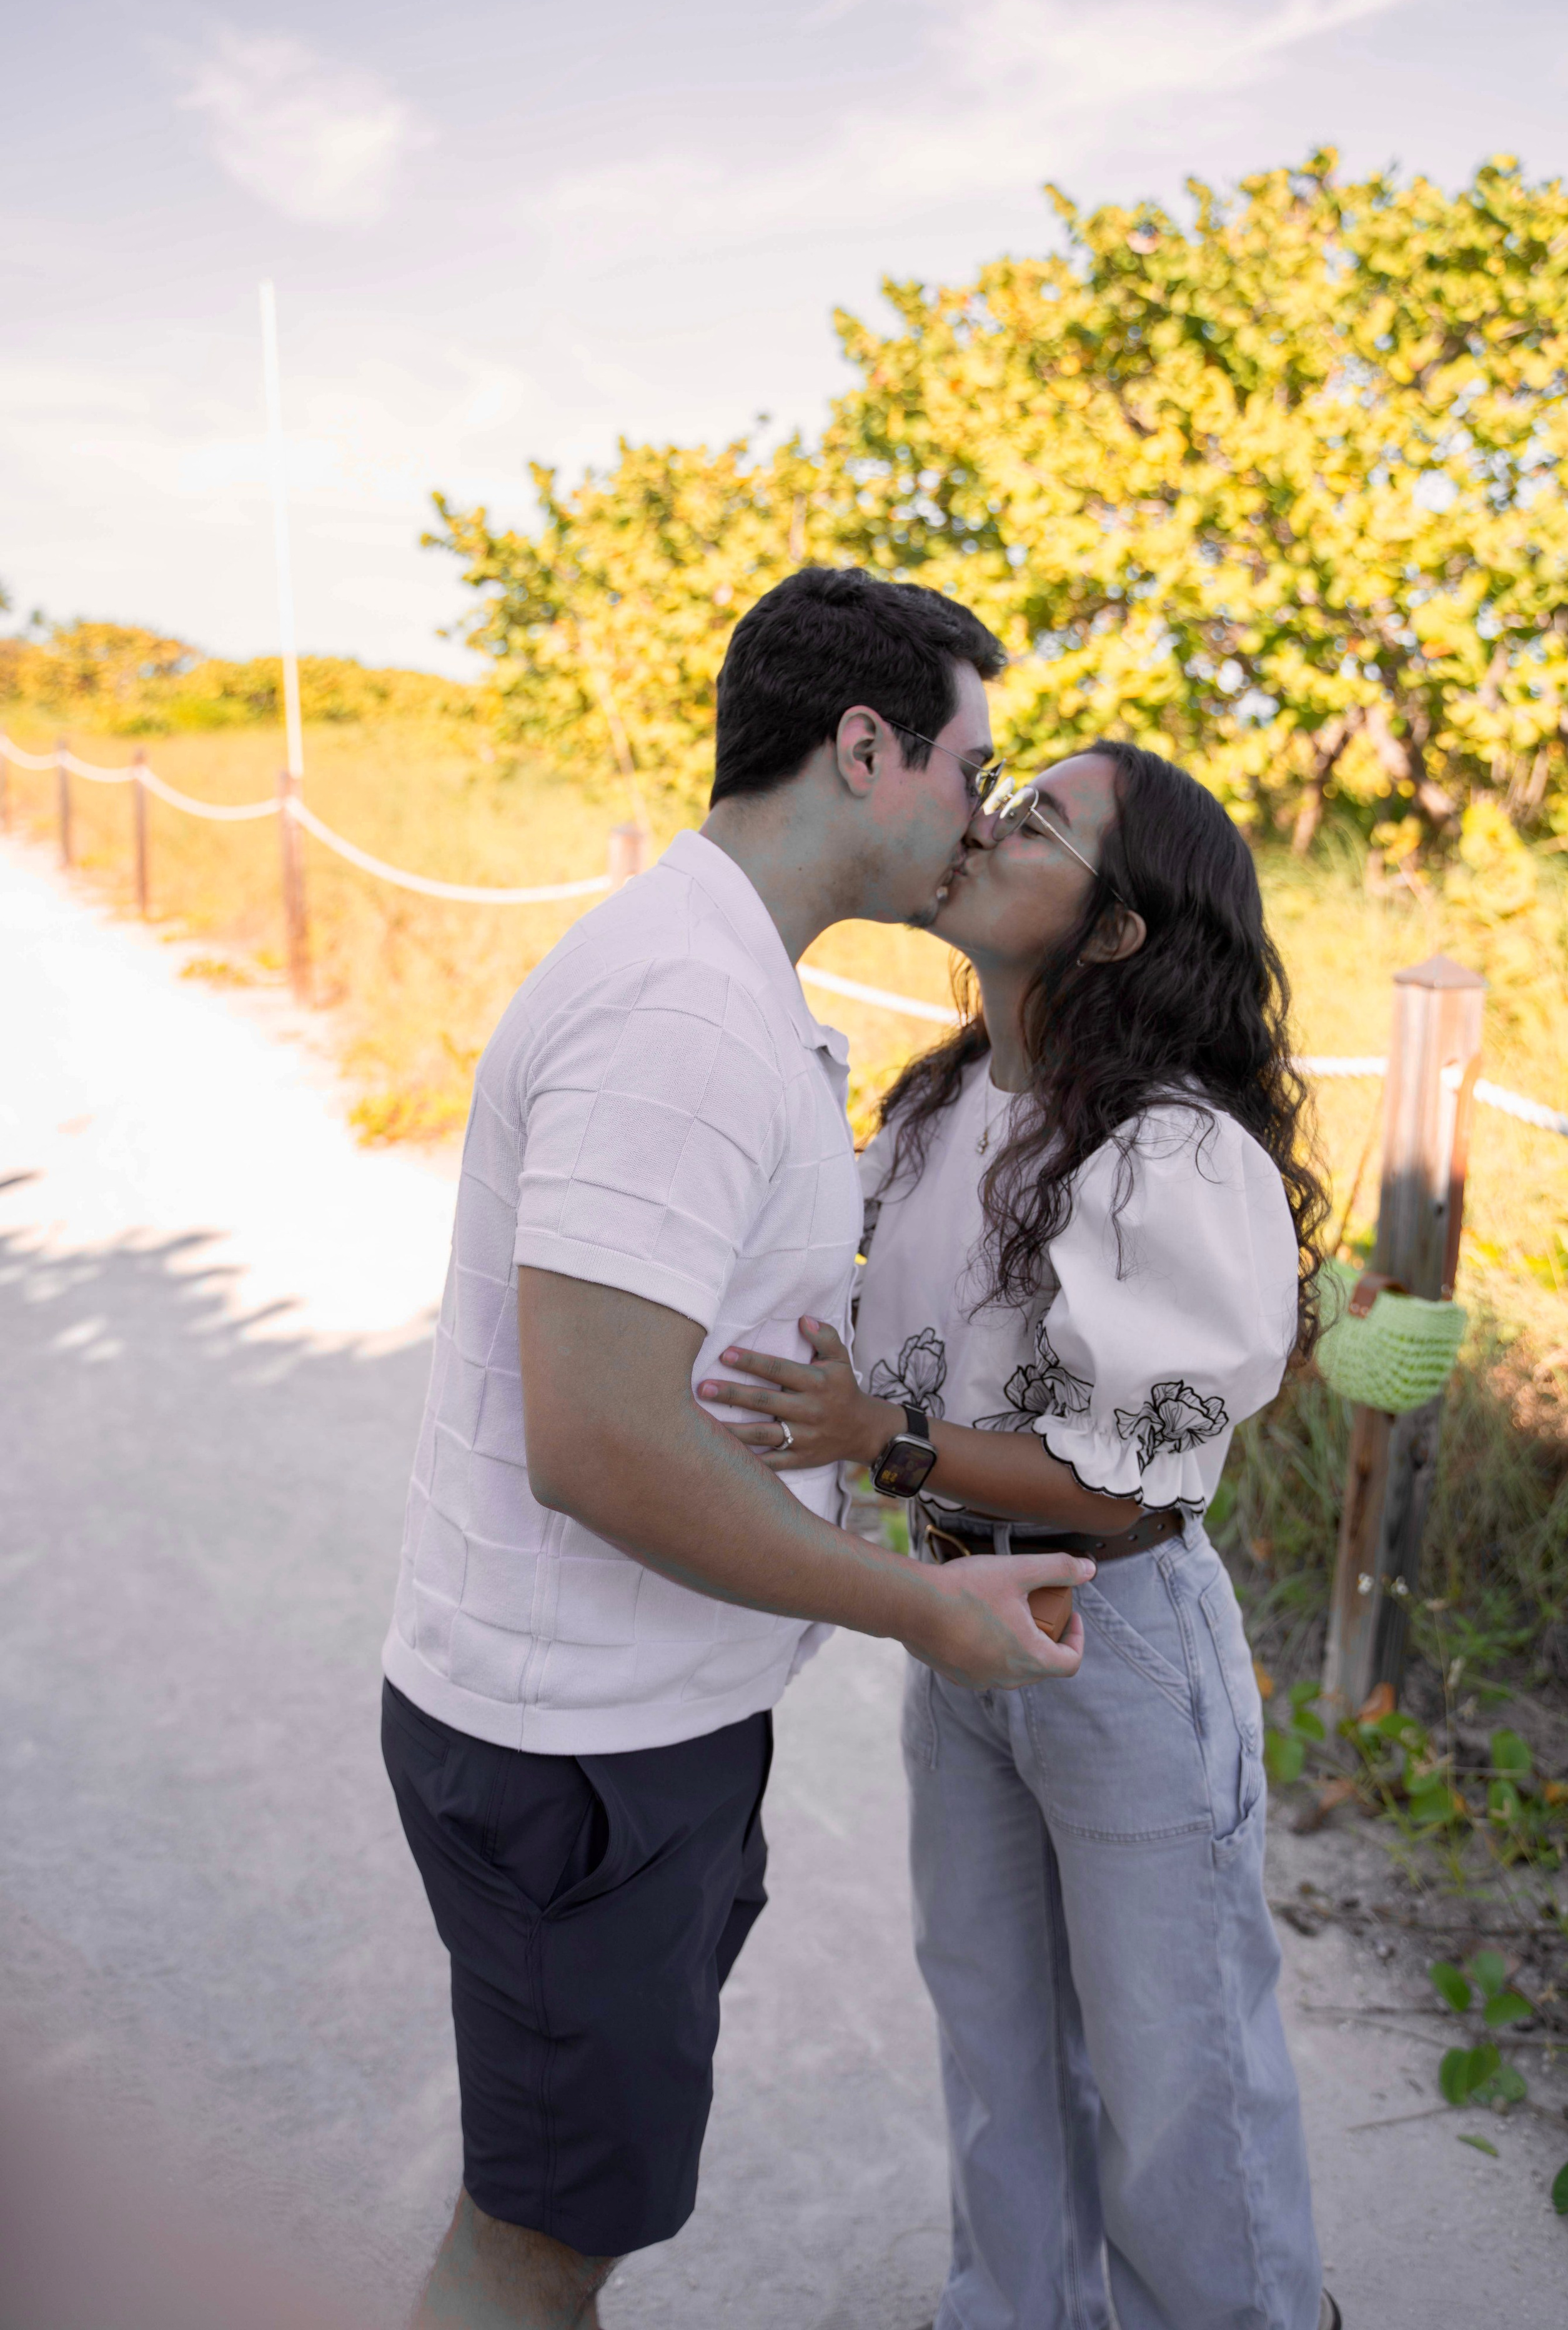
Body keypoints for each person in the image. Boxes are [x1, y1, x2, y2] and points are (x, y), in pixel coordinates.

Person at [379, 566, 1097, 2330]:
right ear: (868, 748)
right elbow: (601, 1442)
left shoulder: (715, 972)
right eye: (971, 766)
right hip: (581, 1754)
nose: (983, 815)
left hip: (629, 1730)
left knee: (571, 2221)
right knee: (533, 2244)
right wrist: (917, 1606)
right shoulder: (683, 1013)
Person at [696, 741, 1338, 2329]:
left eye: (1037, 819)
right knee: (989, 2017)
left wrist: (884, 1441)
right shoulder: (932, 1106)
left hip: (1110, 1632)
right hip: (957, 1616)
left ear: (1116, 930)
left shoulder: (1170, 1152)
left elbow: (1125, 1479)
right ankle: (1017, 2308)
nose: (984, 819)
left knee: (1168, 2046)